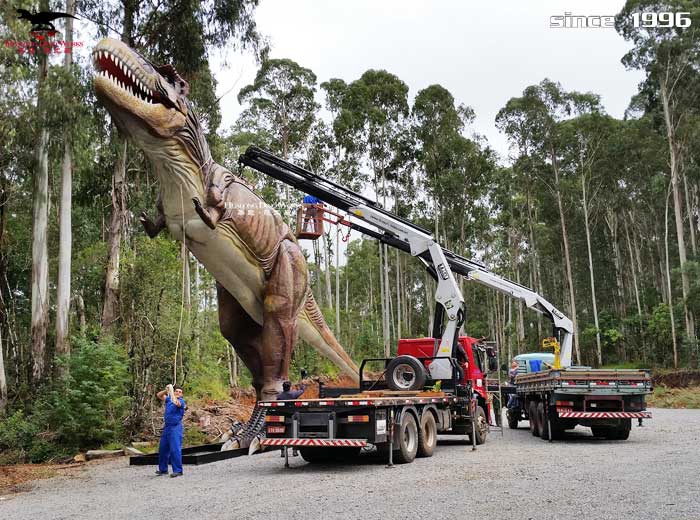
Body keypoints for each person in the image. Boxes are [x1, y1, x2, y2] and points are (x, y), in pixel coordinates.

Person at [155, 384, 186, 477]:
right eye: (176, 391)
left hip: (175, 427)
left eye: (180, 392)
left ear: (182, 395)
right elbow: (159, 395)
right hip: (167, 427)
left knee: (175, 449)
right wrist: (166, 390)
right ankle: (163, 469)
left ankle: (178, 470)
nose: (178, 393)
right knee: (163, 449)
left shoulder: (181, 401)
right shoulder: (169, 400)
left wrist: (171, 391)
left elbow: (177, 403)